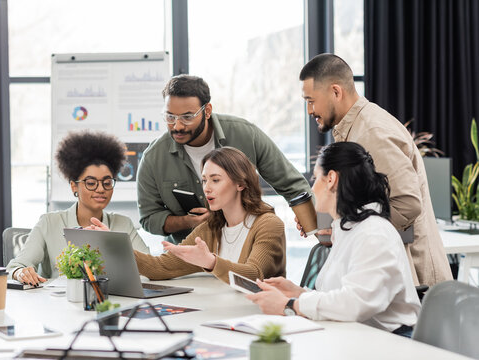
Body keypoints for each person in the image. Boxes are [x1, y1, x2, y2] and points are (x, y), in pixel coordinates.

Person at [298, 53, 452, 287]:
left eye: (311, 100)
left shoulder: (372, 132)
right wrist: (328, 220)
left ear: (336, 92)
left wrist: (342, 228)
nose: (309, 110)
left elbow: (407, 205)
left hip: (413, 277)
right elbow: (367, 203)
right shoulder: (354, 128)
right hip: (389, 270)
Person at [247, 142, 421, 337]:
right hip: (359, 336)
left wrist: (291, 305)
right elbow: (340, 297)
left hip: (391, 342)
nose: (312, 187)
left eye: (315, 178)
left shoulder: (374, 233)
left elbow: (355, 304)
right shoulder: (348, 230)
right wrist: (299, 293)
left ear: (331, 179)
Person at [136, 74, 313, 244]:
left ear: (207, 111)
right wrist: (187, 222)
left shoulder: (245, 135)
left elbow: (293, 185)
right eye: (170, 117)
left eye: (187, 117)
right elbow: (149, 218)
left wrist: (316, 223)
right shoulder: (153, 158)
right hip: (190, 255)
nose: (178, 126)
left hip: (246, 248)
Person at [92, 147, 286, 282]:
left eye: (215, 180)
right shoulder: (211, 228)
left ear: (241, 184)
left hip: (260, 320)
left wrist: (210, 262)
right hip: (224, 313)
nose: (207, 188)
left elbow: (254, 275)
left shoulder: (268, 224)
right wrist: (114, 244)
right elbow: (161, 267)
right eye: (204, 180)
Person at [6, 130, 149, 285]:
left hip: (110, 303)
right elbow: (15, 267)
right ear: (74, 186)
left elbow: (150, 267)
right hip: (58, 303)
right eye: (91, 183)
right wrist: (20, 272)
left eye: (107, 182)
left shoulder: (123, 224)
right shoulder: (49, 222)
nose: (101, 189)